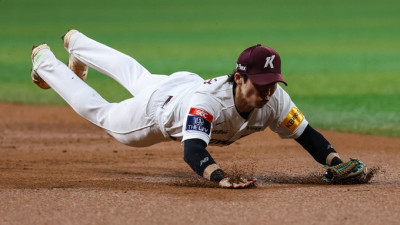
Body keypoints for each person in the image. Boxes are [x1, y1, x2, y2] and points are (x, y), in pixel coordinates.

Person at [30, 30, 368, 189]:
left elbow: (307, 135)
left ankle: (78, 44)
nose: (267, 91)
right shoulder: (209, 105)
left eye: (273, 82)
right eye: (260, 83)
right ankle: (46, 62)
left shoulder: (274, 98)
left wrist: (336, 162)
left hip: (182, 85)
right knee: (105, 115)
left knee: (139, 75)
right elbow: (193, 150)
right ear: (239, 78)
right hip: (156, 113)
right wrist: (221, 179)